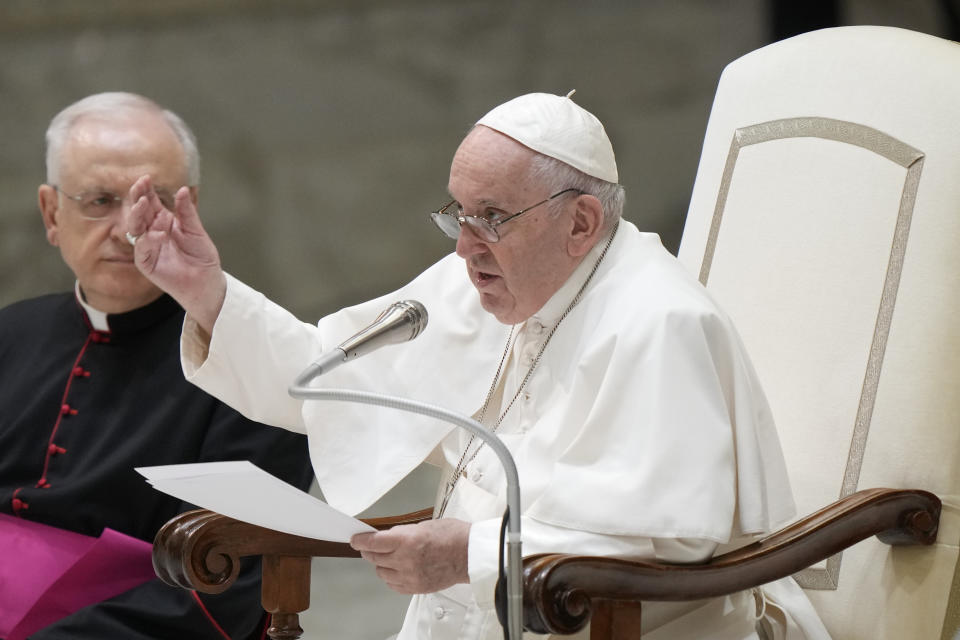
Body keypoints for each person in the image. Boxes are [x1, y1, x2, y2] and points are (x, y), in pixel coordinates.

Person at [126, 92, 830, 639]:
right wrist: (206, 291)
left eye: (490, 216)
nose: (464, 248)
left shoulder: (661, 323)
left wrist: (471, 551)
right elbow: (328, 378)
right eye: (456, 213)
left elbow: (671, 539)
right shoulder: (481, 281)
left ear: (581, 223)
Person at [0, 92, 313, 640]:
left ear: (190, 207)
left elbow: (222, 589)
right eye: (99, 200)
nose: (127, 229)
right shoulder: (11, 333)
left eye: (154, 200)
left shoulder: (252, 360)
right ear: (52, 213)